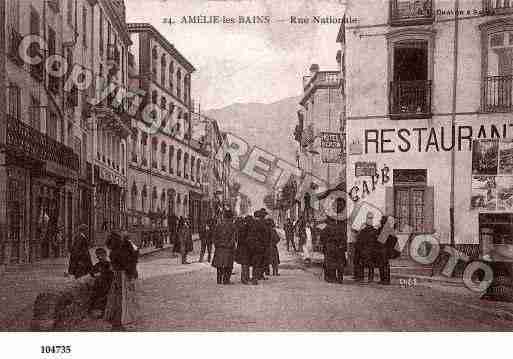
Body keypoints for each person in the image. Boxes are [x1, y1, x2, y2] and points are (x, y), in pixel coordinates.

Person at [104, 232, 139, 330]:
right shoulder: (121, 251)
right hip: (122, 276)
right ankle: (120, 320)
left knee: (118, 298)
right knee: (123, 298)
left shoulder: (113, 253)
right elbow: (130, 261)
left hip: (118, 276)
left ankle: (117, 320)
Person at [211, 210, 237, 284]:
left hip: (219, 248)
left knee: (219, 265)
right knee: (228, 265)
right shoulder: (233, 226)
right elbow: (234, 238)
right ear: (231, 217)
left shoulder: (218, 225)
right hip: (228, 249)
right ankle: (226, 280)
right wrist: (229, 245)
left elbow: (214, 237)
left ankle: (219, 280)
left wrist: (217, 244)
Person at [320, 217, 347, 283]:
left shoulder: (326, 228)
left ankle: (332, 278)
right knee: (339, 264)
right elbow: (344, 238)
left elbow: (322, 238)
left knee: (330, 263)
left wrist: (325, 244)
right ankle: (340, 279)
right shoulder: (340, 228)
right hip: (339, 249)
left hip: (330, 248)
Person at [247, 209, 271, 284]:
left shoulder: (251, 223)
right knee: (258, 262)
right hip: (260, 246)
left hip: (252, 246)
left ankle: (256, 277)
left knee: (256, 262)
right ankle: (255, 278)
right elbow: (265, 236)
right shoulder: (262, 224)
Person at [89, 247, 114, 317]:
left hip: (108, 285)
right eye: (98, 256)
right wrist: (95, 274)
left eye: (101, 256)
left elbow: (112, 275)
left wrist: (105, 273)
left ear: (105, 255)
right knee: (95, 295)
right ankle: (95, 311)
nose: (100, 258)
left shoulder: (109, 264)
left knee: (104, 296)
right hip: (99, 286)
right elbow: (92, 272)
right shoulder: (97, 265)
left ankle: (103, 312)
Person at [354, 212, 378, 283]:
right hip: (368, 250)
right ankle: (369, 278)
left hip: (366, 251)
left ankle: (363, 278)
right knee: (369, 265)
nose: (370, 220)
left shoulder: (364, 230)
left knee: (365, 265)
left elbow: (358, 240)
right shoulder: (373, 230)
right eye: (369, 218)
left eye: (371, 218)